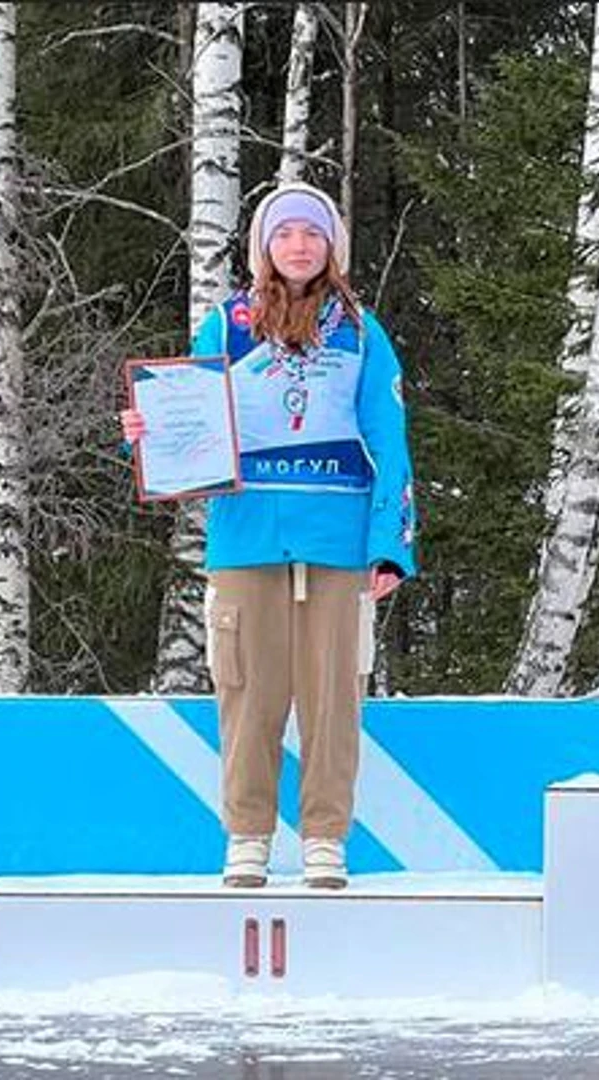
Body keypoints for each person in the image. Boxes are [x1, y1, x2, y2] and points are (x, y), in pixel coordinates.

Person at [122, 181, 416, 890]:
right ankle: (247, 835)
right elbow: (190, 416)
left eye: (312, 234)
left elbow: (390, 437)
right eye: (284, 234)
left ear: (331, 247)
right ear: (264, 247)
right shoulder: (227, 324)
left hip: (336, 539)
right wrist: (146, 433)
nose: (298, 245)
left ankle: (324, 837)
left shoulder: (360, 329)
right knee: (248, 692)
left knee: (331, 697)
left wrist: (390, 544)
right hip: (247, 536)